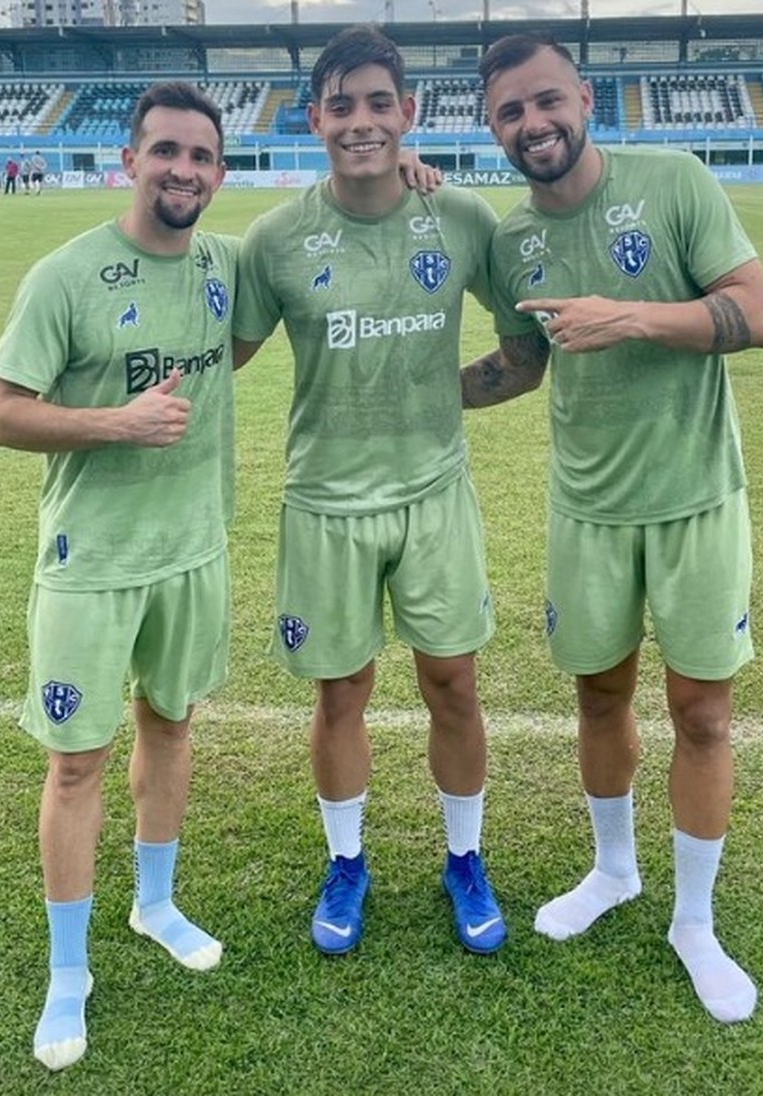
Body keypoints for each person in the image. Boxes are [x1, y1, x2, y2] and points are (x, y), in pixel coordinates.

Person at [462, 32, 763, 1023]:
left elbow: (755, 313)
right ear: (493, 127)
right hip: (586, 510)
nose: (534, 124)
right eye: (511, 112)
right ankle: (614, 871)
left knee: (702, 713)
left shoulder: (673, 179)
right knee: (599, 697)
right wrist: (402, 394)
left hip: (694, 500)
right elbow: (519, 365)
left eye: (547, 100)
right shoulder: (513, 238)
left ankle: (694, 919)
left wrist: (630, 315)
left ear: (584, 97)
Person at [233, 25, 547, 958]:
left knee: (453, 683)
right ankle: (347, 862)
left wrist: (437, 394)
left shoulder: (459, 220)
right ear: (315, 119)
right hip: (324, 501)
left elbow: (526, 357)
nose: (361, 121)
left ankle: (464, 857)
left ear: (408, 114)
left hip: (434, 497)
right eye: (341, 105)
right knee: (342, 694)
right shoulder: (277, 237)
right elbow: (228, 357)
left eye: (379, 103)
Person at [0, 81, 237, 1072]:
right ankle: (68, 968)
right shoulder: (65, 275)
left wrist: (409, 172)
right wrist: (113, 425)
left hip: (192, 551)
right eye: (165, 151)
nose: (183, 170)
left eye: (202, 157)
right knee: (77, 763)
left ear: (219, 173)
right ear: (129, 160)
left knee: (170, 726)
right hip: (91, 566)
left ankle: (156, 901)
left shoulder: (222, 265)